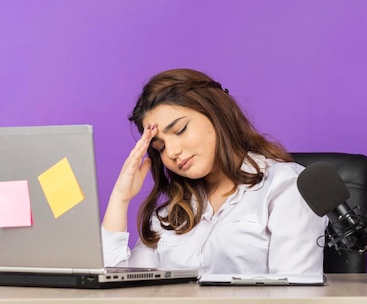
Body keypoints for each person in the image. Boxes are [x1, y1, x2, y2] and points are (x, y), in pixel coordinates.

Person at [101, 68, 327, 275]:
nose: (172, 151)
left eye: (180, 130)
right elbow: (122, 287)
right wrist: (120, 199)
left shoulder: (285, 187)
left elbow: (296, 293)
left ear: (216, 114)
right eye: (160, 147)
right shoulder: (169, 217)